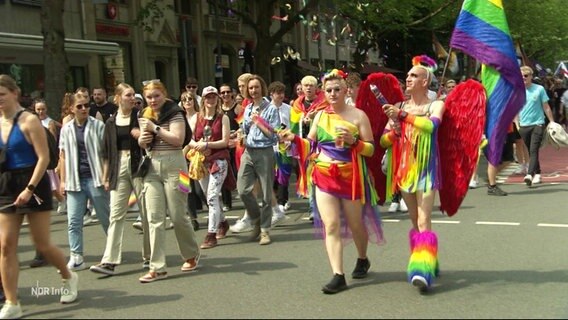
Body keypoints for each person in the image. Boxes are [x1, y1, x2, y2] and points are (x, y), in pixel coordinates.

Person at [279, 69, 383, 294]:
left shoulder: (358, 116)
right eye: (329, 90)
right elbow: (310, 144)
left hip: (351, 178)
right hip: (324, 176)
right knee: (332, 225)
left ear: (345, 91)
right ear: (323, 93)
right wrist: (293, 139)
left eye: (337, 89)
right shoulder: (320, 116)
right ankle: (338, 275)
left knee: (356, 224)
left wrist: (353, 142)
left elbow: (371, 149)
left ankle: (362, 258)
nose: (333, 93)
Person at [0, 74, 78, 319]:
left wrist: (29, 189)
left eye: (2, 94)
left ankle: (68, 276)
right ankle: (12, 302)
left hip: (33, 182)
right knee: (5, 246)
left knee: (42, 244)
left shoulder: (29, 120)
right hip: (5, 184)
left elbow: (43, 158)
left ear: (14, 93)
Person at [381, 57, 445, 292]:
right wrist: (394, 132)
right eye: (407, 75)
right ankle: (428, 257)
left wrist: (402, 117)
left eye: (414, 75)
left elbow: (431, 126)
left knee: (423, 218)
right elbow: (382, 140)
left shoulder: (436, 104)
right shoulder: (399, 105)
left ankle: (422, 270)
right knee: (413, 220)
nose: (408, 78)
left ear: (425, 81)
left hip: (427, 170)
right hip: (404, 170)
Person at [137, 79, 200, 282]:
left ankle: (191, 254)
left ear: (164, 94)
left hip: (177, 167)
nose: (153, 100)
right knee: (154, 217)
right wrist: (141, 139)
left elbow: (178, 140)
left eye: (156, 95)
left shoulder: (175, 112)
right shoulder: (144, 114)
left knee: (178, 214)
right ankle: (157, 267)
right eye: (149, 97)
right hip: (152, 166)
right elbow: (142, 141)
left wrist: (155, 128)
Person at [89, 83, 150, 276]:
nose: (132, 98)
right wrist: (106, 177)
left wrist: (142, 135)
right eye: (128, 95)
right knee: (116, 215)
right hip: (118, 166)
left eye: (133, 95)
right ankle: (109, 260)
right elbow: (107, 152)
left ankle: (149, 256)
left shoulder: (140, 118)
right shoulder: (111, 122)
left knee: (146, 212)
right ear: (118, 98)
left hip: (138, 166)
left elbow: (152, 142)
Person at [59, 92, 111, 271]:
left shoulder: (98, 125)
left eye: (86, 105)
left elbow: (106, 154)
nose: (84, 109)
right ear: (72, 109)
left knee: (106, 218)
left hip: (95, 178)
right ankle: (77, 256)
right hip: (75, 180)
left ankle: (112, 253)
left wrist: (106, 176)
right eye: (79, 106)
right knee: (73, 221)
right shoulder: (66, 129)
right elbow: (63, 156)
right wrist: (62, 181)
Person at [235, 75, 281, 245]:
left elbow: (274, 135)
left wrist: (259, 122)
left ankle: (264, 230)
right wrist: (241, 135)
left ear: (262, 88)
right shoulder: (247, 108)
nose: (253, 91)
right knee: (242, 189)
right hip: (248, 151)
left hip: (264, 152)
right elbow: (245, 128)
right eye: (251, 88)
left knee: (267, 193)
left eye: (256, 87)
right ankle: (256, 219)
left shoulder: (270, 108)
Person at [188, 86, 232, 249]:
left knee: (213, 195)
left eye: (213, 97)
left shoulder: (223, 118)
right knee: (208, 196)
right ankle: (223, 222)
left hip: (218, 160)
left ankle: (211, 234)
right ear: (203, 99)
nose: (210, 100)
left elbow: (225, 141)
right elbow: (190, 138)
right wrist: (197, 145)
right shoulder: (196, 118)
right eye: (207, 97)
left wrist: (207, 144)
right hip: (200, 161)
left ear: (217, 99)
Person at [290, 75, 329, 220]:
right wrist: (302, 119)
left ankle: (321, 208)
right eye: (305, 85)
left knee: (319, 177)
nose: (308, 88)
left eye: (311, 85)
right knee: (308, 177)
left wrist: (314, 118)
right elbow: (293, 124)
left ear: (316, 88)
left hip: (320, 146)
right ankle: (313, 208)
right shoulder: (296, 105)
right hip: (303, 145)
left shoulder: (324, 103)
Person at [518, 66, 555, 187]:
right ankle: (538, 173)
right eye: (522, 75)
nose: (524, 78)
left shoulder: (539, 89)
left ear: (531, 76)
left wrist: (552, 122)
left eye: (526, 75)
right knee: (530, 150)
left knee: (533, 149)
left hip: (538, 123)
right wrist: (517, 124)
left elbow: (546, 107)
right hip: (523, 125)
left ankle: (529, 174)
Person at [268, 81, 292, 226]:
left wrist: (291, 138)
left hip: (285, 146)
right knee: (273, 176)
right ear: (271, 94)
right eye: (278, 93)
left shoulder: (288, 109)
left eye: (282, 93)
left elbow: (292, 126)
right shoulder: (266, 109)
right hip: (271, 147)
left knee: (284, 174)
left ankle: (283, 201)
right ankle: (277, 201)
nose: (281, 96)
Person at [180, 90, 205, 231]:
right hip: (182, 158)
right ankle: (192, 218)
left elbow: (198, 137)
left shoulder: (199, 117)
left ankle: (217, 214)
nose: (187, 102)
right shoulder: (180, 117)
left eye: (190, 99)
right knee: (185, 189)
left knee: (200, 190)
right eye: (184, 100)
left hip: (196, 157)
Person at [219, 83, 240, 212]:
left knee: (237, 172)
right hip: (223, 145)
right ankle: (227, 202)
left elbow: (244, 126)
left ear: (232, 93)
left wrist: (235, 135)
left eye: (227, 92)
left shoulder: (238, 108)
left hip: (236, 145)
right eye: (223, 93)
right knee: (223, 172)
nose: (226, 95)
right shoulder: (218, 110)